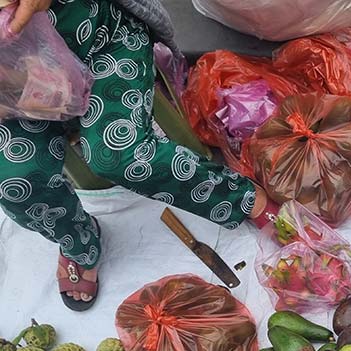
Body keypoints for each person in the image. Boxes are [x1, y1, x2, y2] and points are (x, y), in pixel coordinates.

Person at [0, 0, 277, 310]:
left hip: (100, 41)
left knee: (119, 154)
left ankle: (240, 196)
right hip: (15, 87)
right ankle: (79, 242)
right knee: (13, 179)